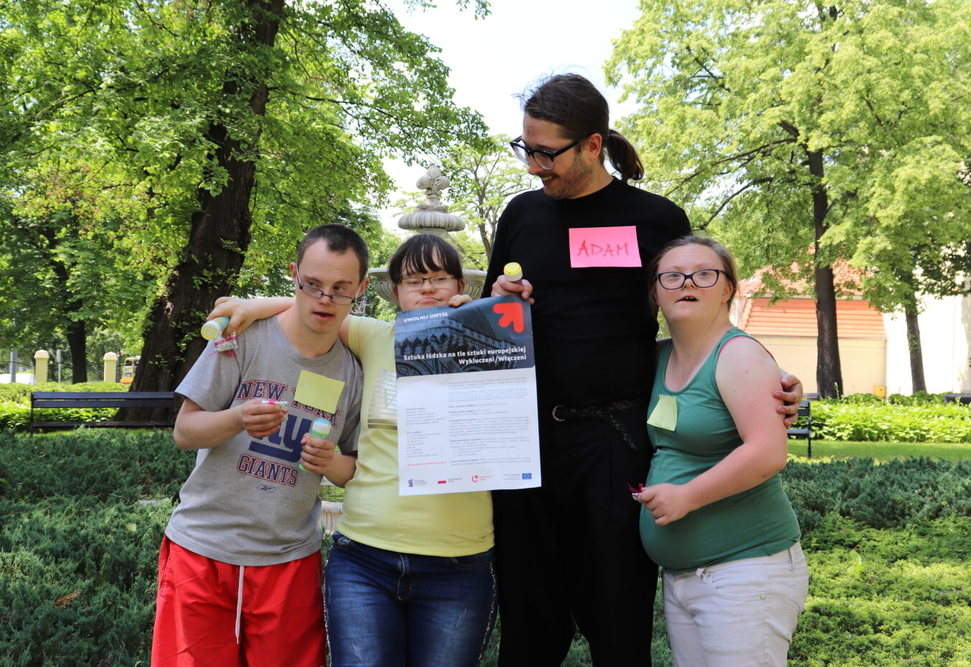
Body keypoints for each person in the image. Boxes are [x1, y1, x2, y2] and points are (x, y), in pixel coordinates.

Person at [484, 73, 803, 666]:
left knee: (618, 624)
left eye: (546, 153)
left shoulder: (655, 217)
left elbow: (700, 306)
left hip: (617, 441)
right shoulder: (522, 215)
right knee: (528, 627)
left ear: (592, 145)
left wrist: (764, 376)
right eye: (525, 149)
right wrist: (500, 298)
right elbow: (485, 329)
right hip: (525, 447)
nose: (533, 166)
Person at [211, 234, 496, 667]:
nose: (428, 287)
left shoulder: (489, 343)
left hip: (458, 563)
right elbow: (316, 307)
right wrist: (252, 306)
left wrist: (490, 316)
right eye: (414, 279)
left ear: (461, 286)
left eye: (440, 277)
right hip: (364, 558)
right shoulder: (375, 336)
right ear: (394, 291)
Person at [151, 224, 367, 667]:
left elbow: (355, 466)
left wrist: (331, 463)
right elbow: (184, 431)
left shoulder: (353, 370)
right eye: (314, 284)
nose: (325, 298)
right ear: (294, 276)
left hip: (290, 561)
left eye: (341, 288)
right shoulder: (243, 336)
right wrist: (237, 418)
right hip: (203, 551)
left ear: (362, 288)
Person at [637, 235, 808, 666]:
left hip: (746, 572)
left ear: (728, 289)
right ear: (656, 292)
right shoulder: (660, 357)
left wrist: (687, 496)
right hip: (684, 578)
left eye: (704, 274)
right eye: (671, 276)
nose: (687, 283)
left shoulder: (738, 355)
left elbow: (769, 453)